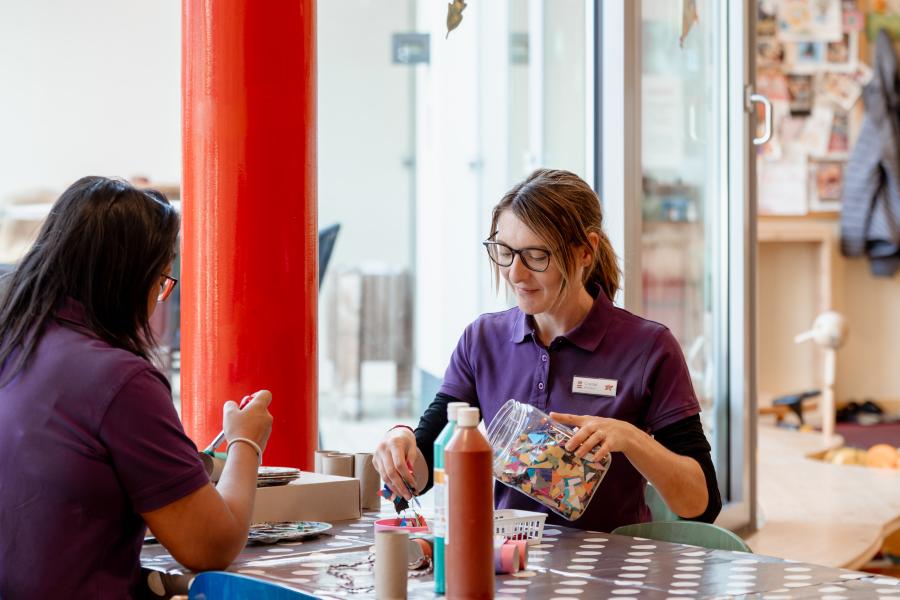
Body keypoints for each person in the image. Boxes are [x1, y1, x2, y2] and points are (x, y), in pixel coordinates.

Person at [374, 168, 721, 531]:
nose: (515, 274)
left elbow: (701, 504)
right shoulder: (482, 340)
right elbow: (427, 464)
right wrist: (401, 445)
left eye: (537, 256)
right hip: (504, 563)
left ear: (586, 251)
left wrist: (631, 439)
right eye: (504, 252)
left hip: (610, 571)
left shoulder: (648, 348)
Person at [0, 177, 273, 598]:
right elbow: (211, 546)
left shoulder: (14, 343)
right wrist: (245, 442)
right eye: (163, 278)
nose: (160, 297)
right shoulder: (119, 379)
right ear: (129, 280)